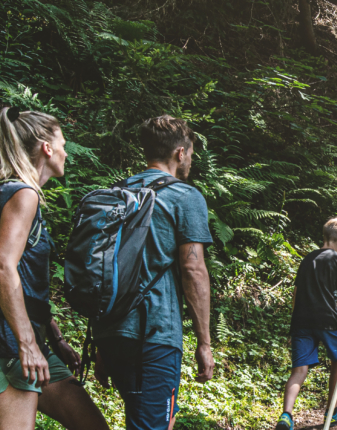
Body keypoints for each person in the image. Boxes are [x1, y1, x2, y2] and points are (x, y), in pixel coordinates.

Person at [0, 107, 106, 430]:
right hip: (7, 344)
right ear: (47, 148)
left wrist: (54, 337)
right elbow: (2, 268)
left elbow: (26, 279)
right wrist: (27, 343)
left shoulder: (3, 192)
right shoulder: (23, 194)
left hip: (24, 341)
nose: (65, 152)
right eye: (63, 143)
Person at [93, 115, 218, 430]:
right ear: (180, 153)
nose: (191, 159)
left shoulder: (115, 194)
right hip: (154, 334)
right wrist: (204, 342)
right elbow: (193, 269)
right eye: (190, 152)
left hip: (111, 330)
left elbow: (101, 267)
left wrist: (99, 341)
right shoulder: (184, 197)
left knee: (156, 420)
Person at [276, 217, 337, 430]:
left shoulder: (306, 259)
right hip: (328, 321)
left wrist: (294, 325)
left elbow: (296, 293)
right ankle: (332, 411)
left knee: (299, 370)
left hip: (301, 322)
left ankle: (286, 415)